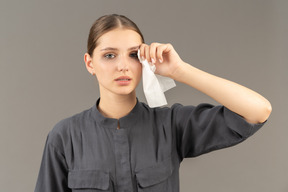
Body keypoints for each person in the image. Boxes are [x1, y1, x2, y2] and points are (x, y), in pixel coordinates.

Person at [35, 14, 272, 192]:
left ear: (144, 60)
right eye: (109, 55)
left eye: (133, 55)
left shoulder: (170, 125)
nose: (123, 66)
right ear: (89, 63)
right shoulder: (65, 137)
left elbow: (259, 110)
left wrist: (180, 70)